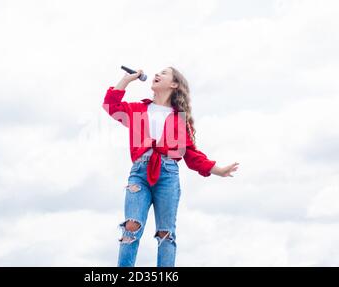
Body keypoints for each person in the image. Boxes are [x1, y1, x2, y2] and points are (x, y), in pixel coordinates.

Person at [102, 66, 239, 267]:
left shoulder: (180, 119)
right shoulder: (138, 110)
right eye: (157, 72)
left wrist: (218, 170)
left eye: (163, 73)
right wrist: (126, 80)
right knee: (131, 226)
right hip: (139, 173)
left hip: (168, 175)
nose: (157, 74)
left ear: (174, 84)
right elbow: (111, 105)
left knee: (166, 233)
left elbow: (192, 155)